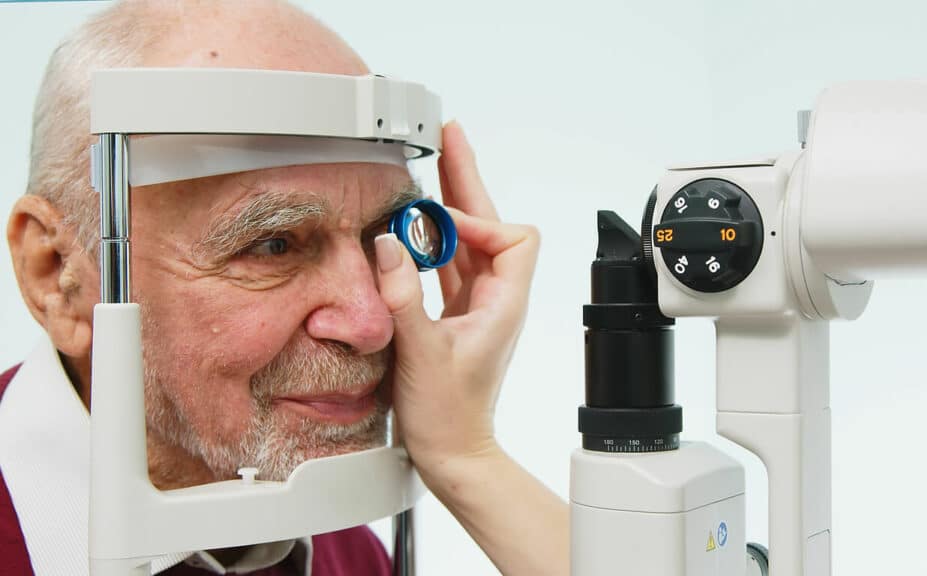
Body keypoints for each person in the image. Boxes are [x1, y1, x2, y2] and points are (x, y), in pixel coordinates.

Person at [1, 0, 568, 574]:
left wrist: (465, 454)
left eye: (384, 237)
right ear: (57, 275)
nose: (371, 323)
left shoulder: (339, 549)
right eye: (274, 244)